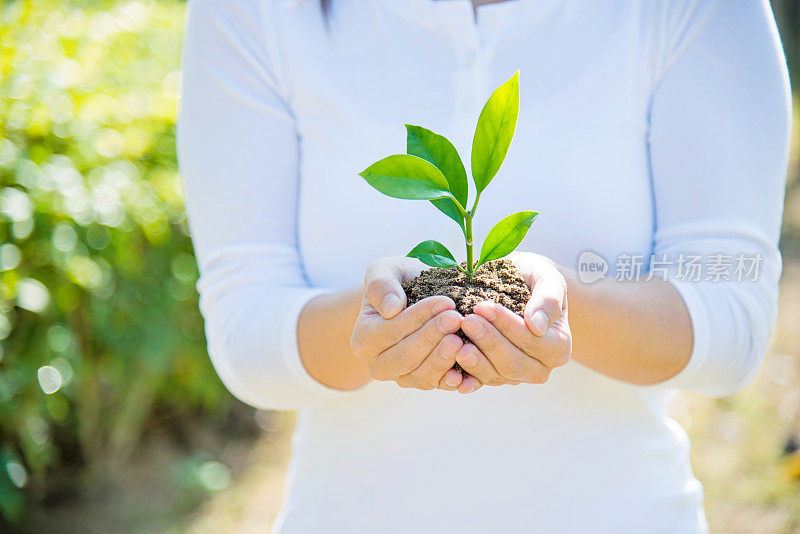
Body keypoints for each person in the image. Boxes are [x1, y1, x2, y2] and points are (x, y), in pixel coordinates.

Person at [177, 1, 791, 532]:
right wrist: (385, 319)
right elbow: (245, 328)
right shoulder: (259, 11)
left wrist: (557, 308)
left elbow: (729, 317)